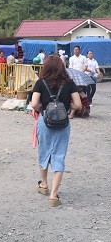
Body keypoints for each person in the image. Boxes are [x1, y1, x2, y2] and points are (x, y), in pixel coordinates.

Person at [30, 55, 81, 207]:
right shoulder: (69, 83)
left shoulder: (40, 82)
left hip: (45, 121)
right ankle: (53, 195)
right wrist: (66, 108)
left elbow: (34, 104)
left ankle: (44, 184)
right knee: (59, 155)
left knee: (44, 151)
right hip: (63, 123)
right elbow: (78, 105)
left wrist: (43, 109)